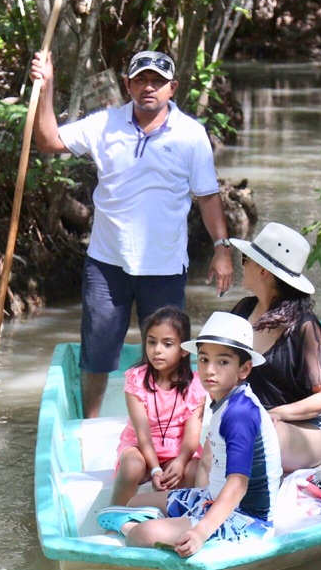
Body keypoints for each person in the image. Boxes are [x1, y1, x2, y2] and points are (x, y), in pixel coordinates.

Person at [29, 48, 234, 418]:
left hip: (165, 264)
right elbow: (48, 141)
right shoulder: (104, 124)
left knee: (167, 353)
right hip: (107, 263)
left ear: (173, 87)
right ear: (127, 85)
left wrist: (221, 248)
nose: (148, 87)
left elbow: (207, 196)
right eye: (141, 80)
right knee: (97, 352)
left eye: (157, 81)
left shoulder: (191, 135)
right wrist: (46, 87)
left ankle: (166, 427)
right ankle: (90, 425)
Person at [96, 312, 282, 557]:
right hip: (210, 499)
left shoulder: (239, 413)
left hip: (246, 520)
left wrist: (200, 532)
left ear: (244, 369)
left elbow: (237, 484)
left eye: (223, 362)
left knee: (140, 535)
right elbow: (208, 460)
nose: (210, 371)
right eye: (204, 360)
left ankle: (136, 527)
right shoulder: (225, 401)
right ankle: (154, 521)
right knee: (134, 503)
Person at [228, 222, 321, 474]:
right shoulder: (243, 310)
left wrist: (277, 413)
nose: (241, 263)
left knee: (263, 437)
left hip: (302, 429)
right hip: (250, 423)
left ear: (263, 271)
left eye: (246, 258)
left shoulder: (304, 326)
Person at [108, 306, 208, 505]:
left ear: (183, 351)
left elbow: (191, 437)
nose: (157, 350)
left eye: (167, 344)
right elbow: (142, 433)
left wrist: (180, 462)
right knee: (132, 465)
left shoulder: (196, 386)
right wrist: (154, 469)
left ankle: (175, 518)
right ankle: (114, 514)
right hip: (140, 449)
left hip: (176, 452)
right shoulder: (136, 380)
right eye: (151, 342)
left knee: (195, 469)